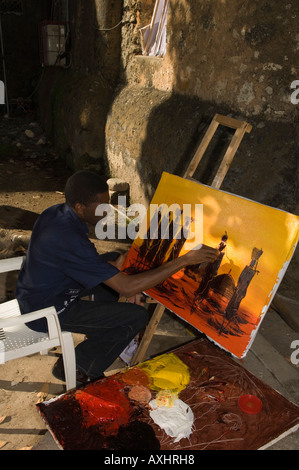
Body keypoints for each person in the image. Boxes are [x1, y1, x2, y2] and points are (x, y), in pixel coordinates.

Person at [15, 171, 218, 385]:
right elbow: (126, 288)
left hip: (40, 291)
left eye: (108, 202)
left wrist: (118, 267)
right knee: (136, 317)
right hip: (45, 311)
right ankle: (79, 366)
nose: (108, 210)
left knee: (112, 259)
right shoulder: (70, 240)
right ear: (79, 207)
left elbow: (82, 261)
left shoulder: (56, 214)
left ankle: (101, 333)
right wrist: (183, 261)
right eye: (101, 205)